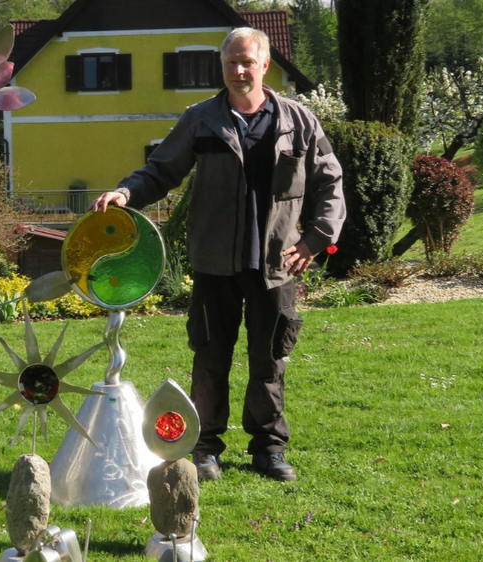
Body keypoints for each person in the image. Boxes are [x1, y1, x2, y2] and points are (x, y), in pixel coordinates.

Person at [90, 27, 345, 482]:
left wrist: (315, 239)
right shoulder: (200, 119)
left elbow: (330, 182)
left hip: (277, 263)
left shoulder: (299, 121)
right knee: (210, 359)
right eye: (231, 62)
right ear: (222, 66)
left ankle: (268, 449)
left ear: (265, 65)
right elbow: (160, 170)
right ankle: (204, 447)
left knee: (269, 360)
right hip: (214, 262)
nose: (239, 70)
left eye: (247, 61)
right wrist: (127, 192)